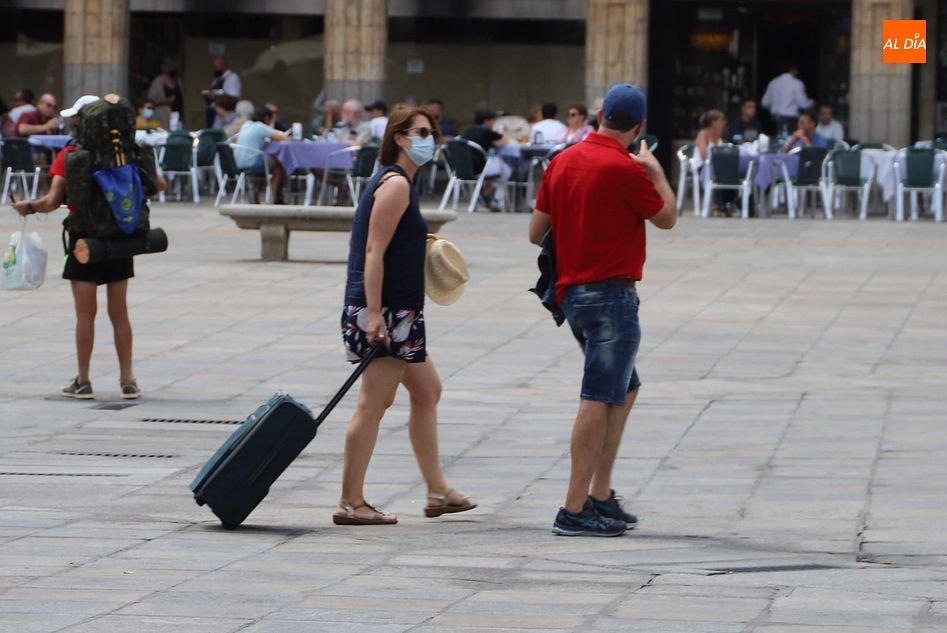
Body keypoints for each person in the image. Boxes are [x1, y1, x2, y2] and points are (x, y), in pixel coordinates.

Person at [528, 83, 676, 537]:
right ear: (638, 127)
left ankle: (602, 493)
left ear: (599, 117)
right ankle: (574, 508)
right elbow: (667, 216)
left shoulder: (563, 160)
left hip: (572, 296)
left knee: (624, 388)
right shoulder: (626, 169)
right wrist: (654, 171)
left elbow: (537, 233)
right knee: (598, 396)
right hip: (612, 295)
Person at [337, 104, 476, 525]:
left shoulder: (397, 184)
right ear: (399, 138)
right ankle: (351, 502)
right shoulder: (395, 184)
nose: (428, 138)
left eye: (432, 131)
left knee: (427, 390)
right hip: (387, 312)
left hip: (401, 312)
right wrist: (375, 313)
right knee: (373, 404)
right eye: (419, 131)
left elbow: (384, 239)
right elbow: (372, 250)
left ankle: (437, 492)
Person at [11, 95, 167, 400]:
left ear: (84, 121)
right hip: (121, 237)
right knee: (119, 313)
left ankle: (83, 380)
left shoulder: (71, 154)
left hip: (84, 240)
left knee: (86, 314)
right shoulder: (129, 154)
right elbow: (159, 184)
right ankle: (128, 380)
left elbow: (52, 202)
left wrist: (28, 206)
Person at [234, 108, 291, 204]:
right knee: (279, 164)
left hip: (238, 163)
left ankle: (257, 192)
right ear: (267, 118)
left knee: (269, 164)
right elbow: (282, 137)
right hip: (252, 163)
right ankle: (276, 197)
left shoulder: (246, 125)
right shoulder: (260, 127)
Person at [462, 109, 512, 211]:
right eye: (493, 121)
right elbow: (504, 140)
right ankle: (490, 196)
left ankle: (484, 195)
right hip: (480, 167)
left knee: (498, 171)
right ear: (486, 121)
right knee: (506, 170)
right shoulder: (487, 131)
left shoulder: (468, 131)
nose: (494, 123)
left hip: (463, 168)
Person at [761, 62, 813, 135]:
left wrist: (773, 108)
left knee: (776, 140)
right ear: (793, 70)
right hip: (790, 120)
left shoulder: (773, 83)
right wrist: (812, 103)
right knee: (788, 142)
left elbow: (764, 103)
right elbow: (803, 104)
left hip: (774, 119)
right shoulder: (797, 83)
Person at [203, 56, 242, 128]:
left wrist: (216, 96)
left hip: (226, 116)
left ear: (223, 65)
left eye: (216, 67)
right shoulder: (217, 79)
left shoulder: (232, 78)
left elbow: (233, 98)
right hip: (215, 114)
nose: (214, 69)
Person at [147, 59, 185, 131]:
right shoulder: (158, 82)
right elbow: (149, 101)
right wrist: (164, 102)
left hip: (178, 117)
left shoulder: (178, 81)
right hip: (163, 117)